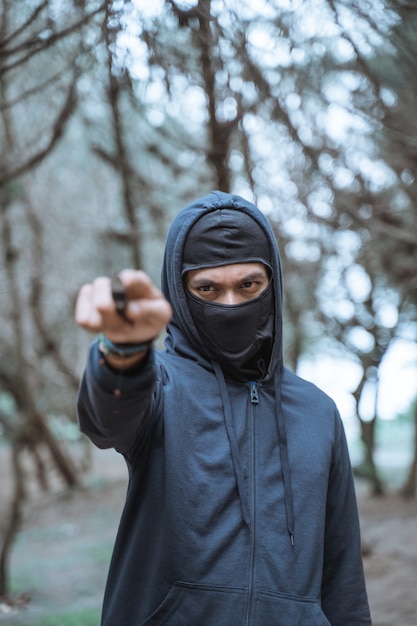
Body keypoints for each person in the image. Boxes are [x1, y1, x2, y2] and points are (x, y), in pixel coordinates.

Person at [75, 190, 372, 625]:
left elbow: (343, 574)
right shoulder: (159, 384)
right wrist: (120, 354)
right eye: (208, 288)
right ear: (181, 290)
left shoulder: (317, 412)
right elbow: (107, 420)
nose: (231, 304)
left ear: (272, 286)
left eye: (248, 285)